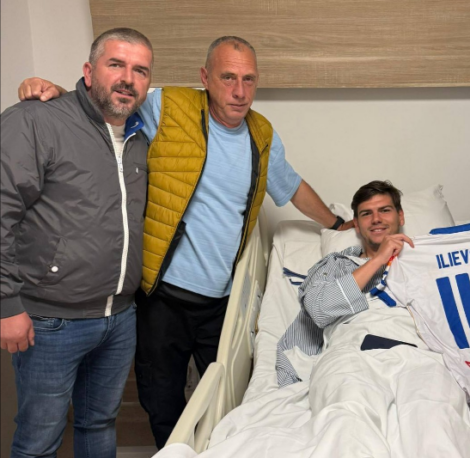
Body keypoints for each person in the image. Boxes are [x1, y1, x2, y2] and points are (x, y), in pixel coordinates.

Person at [19, 36, 352, 448]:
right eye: (228, 78)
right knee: (161, 400)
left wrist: (338, 224)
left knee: (228, 400)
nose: (240, 91)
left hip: (222, 300)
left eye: (249, 79)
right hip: (163, 296)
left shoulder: (261, 134)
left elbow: (292, 186)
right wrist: (54, 91)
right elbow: (110, 99)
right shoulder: (167, 106)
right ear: (205, 78)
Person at [1, 28, 153, 457]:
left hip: (119, 317)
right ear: (88, 71)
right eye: (115, 64)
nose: (128, 78)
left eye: (140, 70)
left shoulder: (139, 137)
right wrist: (6, 304)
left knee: (99, 424)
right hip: (50, 320)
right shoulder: (36, 121)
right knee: (39, 439)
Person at [276, 180, 413, 386]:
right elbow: (319, 310)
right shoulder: (335, 265)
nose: (376, 219)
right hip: (352, 358)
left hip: (414, 354)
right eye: (366, 214)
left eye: (385, 210)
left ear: (400, 216)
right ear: (356, 224)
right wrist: (378, 260)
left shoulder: (428, 262)